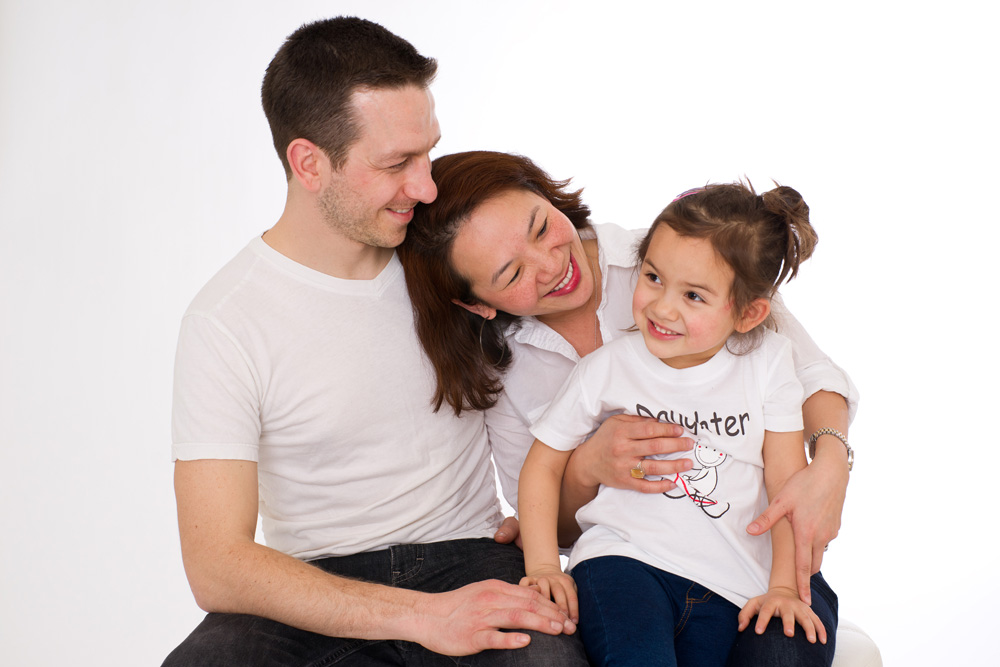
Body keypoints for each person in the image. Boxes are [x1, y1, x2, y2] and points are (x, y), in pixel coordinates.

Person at [163, 18, 587, 667]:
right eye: (396, 164)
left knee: (543, 660)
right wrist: (424, 615)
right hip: (314, 587)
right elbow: (216, 565)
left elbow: (593, 281)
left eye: (427, 151)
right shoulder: (226, 319)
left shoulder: (458, 261)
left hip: (471, 554)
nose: (424, 186)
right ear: (309, 162)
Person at [398, 151, 858, 665]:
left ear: (548, 196)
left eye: (539, 226)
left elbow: (814, 383)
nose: (551, 265)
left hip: (742, 557)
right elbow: (547, 506)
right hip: (629, 558)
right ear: (478, 303)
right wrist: (584, 475)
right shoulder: (552, 367)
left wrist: (832, 464)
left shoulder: (688, 250)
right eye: (512, 274)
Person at [518, 182, 830, 666]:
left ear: (748, 313)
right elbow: (542, 464)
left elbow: (786, 483)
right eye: (653, 277)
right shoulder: (607, 366)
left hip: (729, 579)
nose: (663, 307)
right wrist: (543, 567)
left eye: (694, 296)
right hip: (623, 562)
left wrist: (784, 586)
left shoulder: (768, 362)